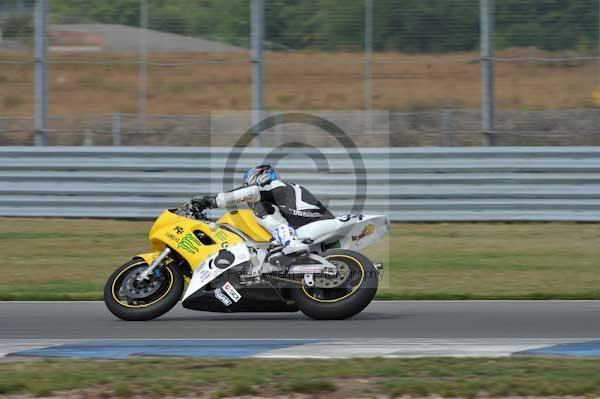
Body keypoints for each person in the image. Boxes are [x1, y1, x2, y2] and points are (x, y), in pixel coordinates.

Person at [192, 165, 334, 254]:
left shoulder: (271, 185)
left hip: (308, 221)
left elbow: (249, 192)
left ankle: (290, 242)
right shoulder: (286, 189)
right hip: (319, 220)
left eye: (248, 183)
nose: (247, 186)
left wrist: (211, 201)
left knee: (262, 208)